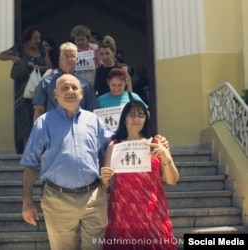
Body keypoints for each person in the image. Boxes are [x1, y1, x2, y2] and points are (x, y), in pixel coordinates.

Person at [21, 73, 114, 250]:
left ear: (82, 93)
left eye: (74, 88)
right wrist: (27, 200)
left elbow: (112, 143)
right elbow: (30, 163)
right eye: (64, 88)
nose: (70, 91)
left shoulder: (94, 120)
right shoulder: (43, 123)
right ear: (55, 94)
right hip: (57, 200)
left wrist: (107, 168)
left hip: (93, 198)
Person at [101, 100, 179, 250]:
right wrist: (104, 178)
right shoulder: (114, 145)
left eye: (141, 115)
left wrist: (166, 157)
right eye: (132, 115)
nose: (136, 118)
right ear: (124, 118)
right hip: (123, 211)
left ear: (146, 119)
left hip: (153, 210)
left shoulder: (157, 143)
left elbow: (172, 180)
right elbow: (105, 183)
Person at [0, 26, 52, 153]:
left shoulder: (42, 50)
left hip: (37, 90)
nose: (38, 41)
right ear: (28, 39)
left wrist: (35, 66)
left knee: (38, 117)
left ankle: (38, 149)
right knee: (23, 119)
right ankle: (27, 150)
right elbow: (1, 55)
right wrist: (14, 58)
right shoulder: (19, 48)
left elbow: (49, 66)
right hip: (21, 91)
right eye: (35, 38)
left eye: (39, 38)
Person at [33, 42, 98, 121]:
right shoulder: (46, 82)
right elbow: (39, 110)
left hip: (78, 129)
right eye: (66, 56)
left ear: (77, 59)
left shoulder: (85, 84)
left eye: (72, 56)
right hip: (53, 129)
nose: (69, 59)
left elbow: (92, 112)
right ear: (60, 59)